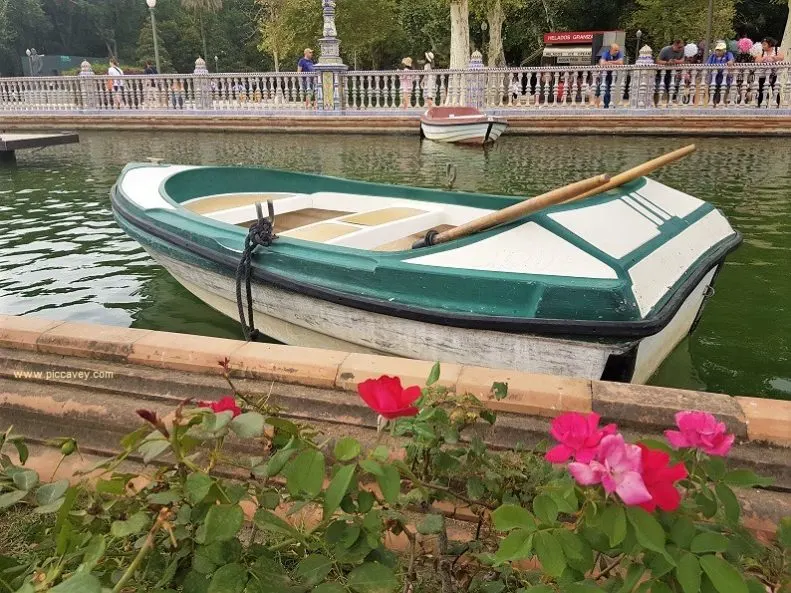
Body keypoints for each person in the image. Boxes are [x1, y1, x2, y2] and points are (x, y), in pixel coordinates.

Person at [756, 37, 784, 107]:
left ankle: (776, 106)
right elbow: (757, 60)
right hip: (763, 74)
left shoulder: (777, 50)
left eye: (764, 44)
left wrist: (774, 58)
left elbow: (782, 57)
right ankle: (761, 106)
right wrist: (763, 59)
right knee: (762, 91)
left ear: (770, 44)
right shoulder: (762, 52)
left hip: (774, 74)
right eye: (762, 45)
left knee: (775, 90)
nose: (763, 46)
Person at [596, 42, 623, 108]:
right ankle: (607, 106)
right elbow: (602, 63)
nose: (617, 51)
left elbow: (621, 63)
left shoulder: (619, 53)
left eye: (618, 50)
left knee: (611, 91)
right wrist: (615, 63)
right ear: (611, 49)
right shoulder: (605, 54)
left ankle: (608, 105)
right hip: (604, 75)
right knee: (605, 91)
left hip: (613, 75)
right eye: (615, 50)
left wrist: (609, 62)